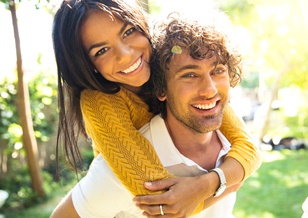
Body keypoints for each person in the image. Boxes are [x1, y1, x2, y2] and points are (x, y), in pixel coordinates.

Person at [51, 0, 261, 217]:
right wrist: (227, 183)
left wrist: (209, 184)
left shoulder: (170, 66)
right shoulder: (100, 103)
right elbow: (162, 198)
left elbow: (248, 148)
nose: (125, 54)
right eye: (102, 50)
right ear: (87, 66)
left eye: (129, 31)